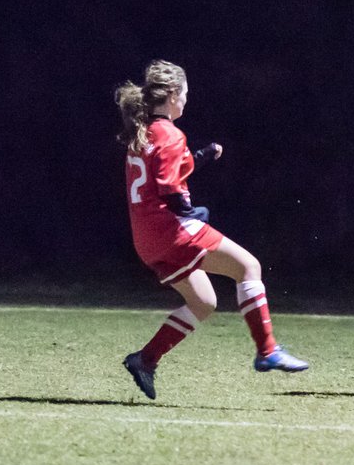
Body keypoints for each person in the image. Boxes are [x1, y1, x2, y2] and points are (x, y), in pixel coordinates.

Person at [115, 60, 308, 399]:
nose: (187, 100)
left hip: (145, 240)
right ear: (173, 95)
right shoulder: (170, 133)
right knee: (249, 267)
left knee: (203, 302)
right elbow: (168, 186)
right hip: (172, 230)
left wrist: (202, 156)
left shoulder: (142, 134)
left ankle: (144, 360)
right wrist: (189, 212)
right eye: (185, 94)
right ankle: (267, 351)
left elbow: (167, 169)